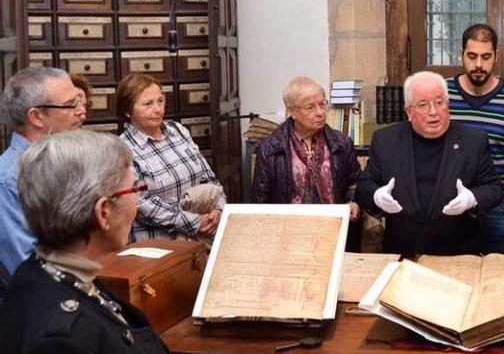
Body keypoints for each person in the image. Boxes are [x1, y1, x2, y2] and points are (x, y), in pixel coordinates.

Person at [0, 129, 170, 353]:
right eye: (133, 190)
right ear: (103, 213)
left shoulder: (51, 272)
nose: (136, 202)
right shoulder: (60, 340)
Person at [356, 71, 502, 257]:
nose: (433, 112)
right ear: (409, 112)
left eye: (439, 103)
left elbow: (494, 188)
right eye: (423, 105)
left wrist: (471, 198)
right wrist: (377, 196)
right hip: (403, 254)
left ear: (448, 105)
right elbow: (364, 187)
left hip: (457, 254)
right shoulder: (386, 140)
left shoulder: (473, 141)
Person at [446, 24, 504, 254]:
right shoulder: (441, 95)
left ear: (497, 56)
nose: (478, 64)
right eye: (472, 56)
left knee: (498, 269)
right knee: (452, 271)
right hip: (450, 201)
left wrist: (503, 180)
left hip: (499, 203)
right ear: (461, 54)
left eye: (486, 57)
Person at [250, 77, 361, 247]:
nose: (320, 112)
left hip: (335, 231)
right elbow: (260, 201)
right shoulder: (270, 148)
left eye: (322, 104)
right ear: (292, 111)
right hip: (289, 236)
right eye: (310, 107)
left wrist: (352, 201)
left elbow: (355, 181)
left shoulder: (341, 143)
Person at [116, 73, 224, 242]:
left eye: (160, 101)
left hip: (200, 239)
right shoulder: (121, 149)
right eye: (148, 104)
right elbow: (140, 204)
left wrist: (218, 209)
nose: (158, 109)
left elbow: (207, 176)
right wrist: (194, 222)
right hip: (159, 245)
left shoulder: (178, 130)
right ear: (127, 111)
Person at [0, 67, 85, 277]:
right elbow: (27, 270)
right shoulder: (9, 181)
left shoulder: (66, 161)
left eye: (80, 101)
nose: (81, 111)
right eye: (70, 105)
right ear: (36, 116)